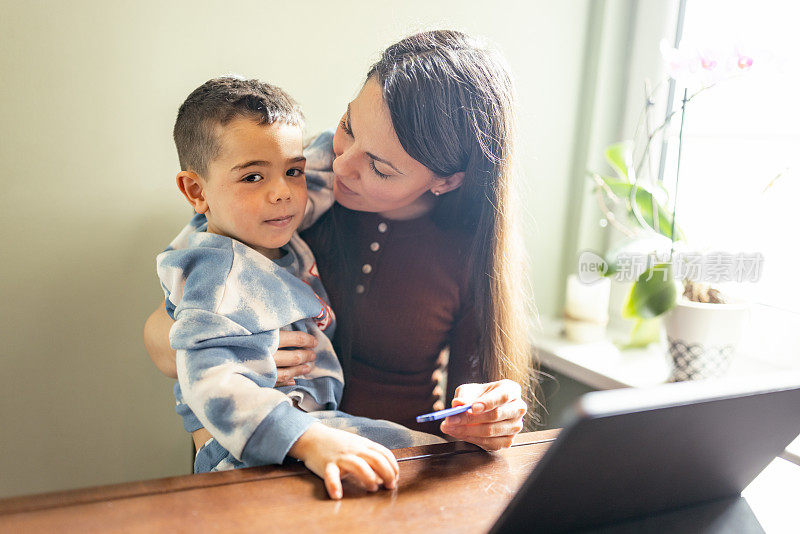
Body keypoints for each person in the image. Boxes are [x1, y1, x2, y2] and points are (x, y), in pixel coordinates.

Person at [145, 29, 533, 454]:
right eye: (348, 127)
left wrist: (491, 417)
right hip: (275, 449)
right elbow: (178, 303)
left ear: (445, 181)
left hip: (395, 463)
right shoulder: (287, 189)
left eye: (380, 169)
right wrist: (232, 356)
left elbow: (472, 410)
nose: (341, 166)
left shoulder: (468, 251)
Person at [160, 76, 440, 500]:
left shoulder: (271, 228)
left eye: (293, 171)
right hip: (254, 448)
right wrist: (308, 440)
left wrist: (366, 134)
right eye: (253, 177)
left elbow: (329, 166)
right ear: (196, 191)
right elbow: (212, 386)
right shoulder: (214, 272)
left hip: (308, 426)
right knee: (429, 460)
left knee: (427, 462)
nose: (282, 194)